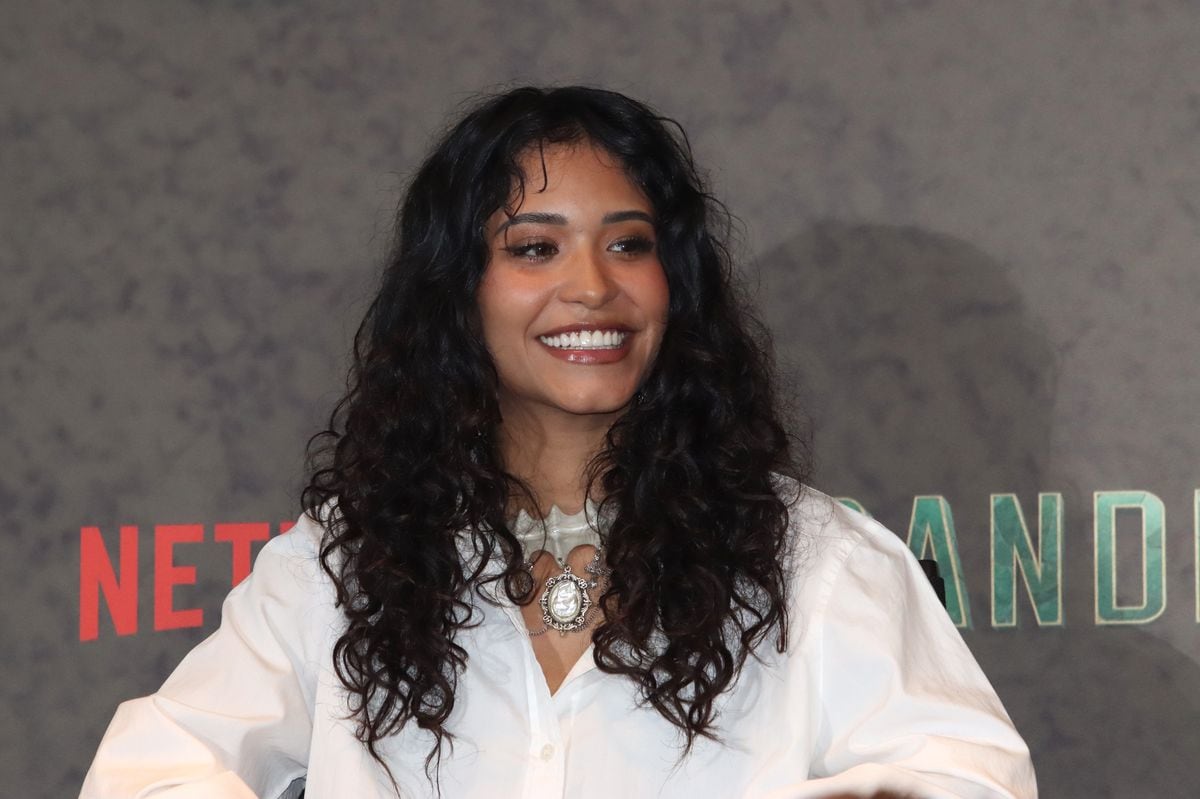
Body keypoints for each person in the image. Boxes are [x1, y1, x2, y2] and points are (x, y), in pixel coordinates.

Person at [81, 86, 1037, 798]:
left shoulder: (812, 560)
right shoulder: (343, 567)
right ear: (459, 291)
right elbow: (153, 769)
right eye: (534, 248)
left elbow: (965, 781)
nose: (592, 287)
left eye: (629, 244)